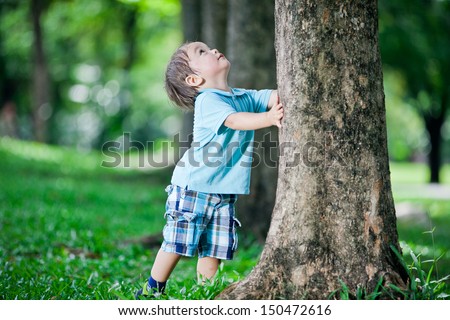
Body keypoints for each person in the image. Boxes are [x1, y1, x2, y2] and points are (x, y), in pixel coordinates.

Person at [136, 41, 283, 298]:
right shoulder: (208, 100)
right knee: (177, 241)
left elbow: (269, 96)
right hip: (193, 187)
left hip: (223, 191)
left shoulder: (240, 96)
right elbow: (235, 120)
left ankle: (208, 293)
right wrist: (268, 119)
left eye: (209, 48)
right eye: (202, 53)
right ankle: (152, 288)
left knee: (214, 246)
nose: (213, 50)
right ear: (194, 79)